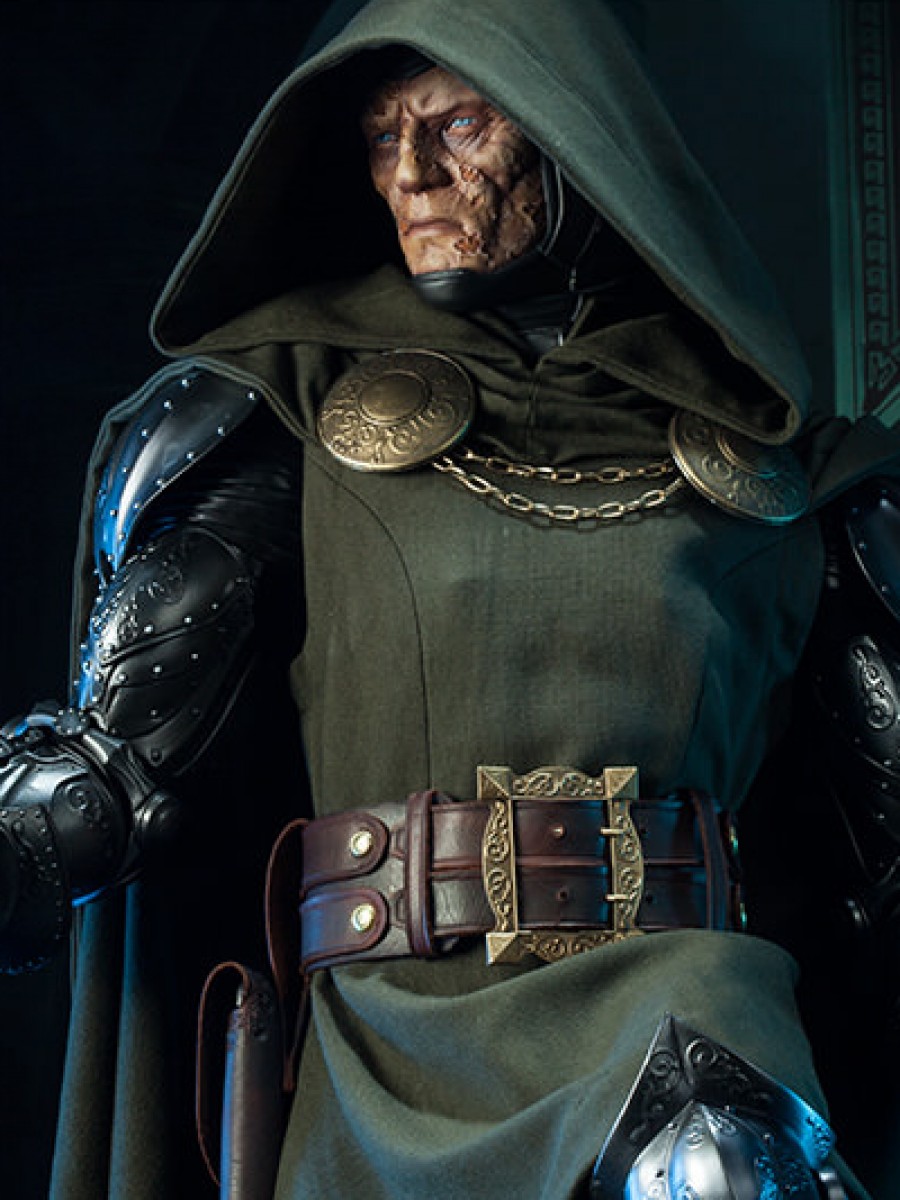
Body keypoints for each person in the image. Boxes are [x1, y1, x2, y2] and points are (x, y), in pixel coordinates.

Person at [1, 1, 898, 1197]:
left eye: (460, 124)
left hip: (692, 1013)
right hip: (396, 1043)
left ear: (575, 136)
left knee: (719, 1160)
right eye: (384, 138)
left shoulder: (790, 476)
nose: (413, 172)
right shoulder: (282, 417)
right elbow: (102, 785)